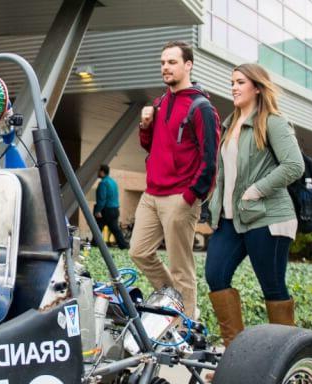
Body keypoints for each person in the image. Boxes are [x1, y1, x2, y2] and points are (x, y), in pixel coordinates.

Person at [203, 63, 304, 347]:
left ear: (257, 87)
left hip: (268, 217)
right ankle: (235, 355)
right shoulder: (229, 124)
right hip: (231, 219)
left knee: (272, 287)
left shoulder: (273, 121)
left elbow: (294, 166)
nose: (233, 87)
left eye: (240, 82)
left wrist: (257, 190)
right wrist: (213, 206)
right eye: (231, 82)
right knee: (216, 274)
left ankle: (286, 357)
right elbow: (226, 175)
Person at [130, 41, 220, 317]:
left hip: (180, 197)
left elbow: (210, 158)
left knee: (182, 267)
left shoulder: (201, 107)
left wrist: (191, 196)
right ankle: (175, 302)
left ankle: (187, 327)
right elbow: (151, 146)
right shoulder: (159, 103)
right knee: (139, 252)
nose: (165, 67)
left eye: (172, 62)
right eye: (162, 63)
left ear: (188, 65)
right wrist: (145, 126)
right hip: (151, 194)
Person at [94, 165, 128, 249]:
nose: (97, 173)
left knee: (97, 227)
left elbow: (102, 198)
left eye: (98, 171)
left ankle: (94, 244)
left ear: (102, 172)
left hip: (106, 210)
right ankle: (123, 245)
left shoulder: (103, 183)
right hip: (115, 209)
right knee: (114, 228)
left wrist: (98, 210)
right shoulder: (113, 182)